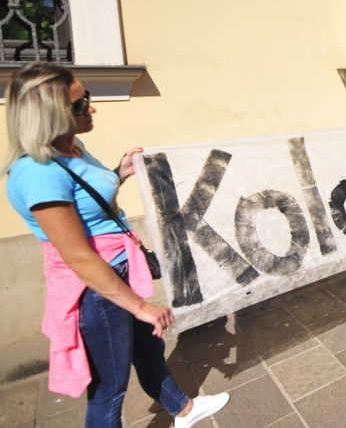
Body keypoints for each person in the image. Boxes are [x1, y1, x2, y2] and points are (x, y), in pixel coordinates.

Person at [3, 63, 229, 428]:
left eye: (86, 99)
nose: (90, 108)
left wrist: (118, 172)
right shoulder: (39, 174)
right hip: (95, 290)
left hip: (117, 271)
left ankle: (183, 410)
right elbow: (77, 255)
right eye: (78, 105)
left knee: (148, 349)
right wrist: (140, 306)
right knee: (109, 390)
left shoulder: (72, 147)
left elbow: (89, 204)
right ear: (47, 116)